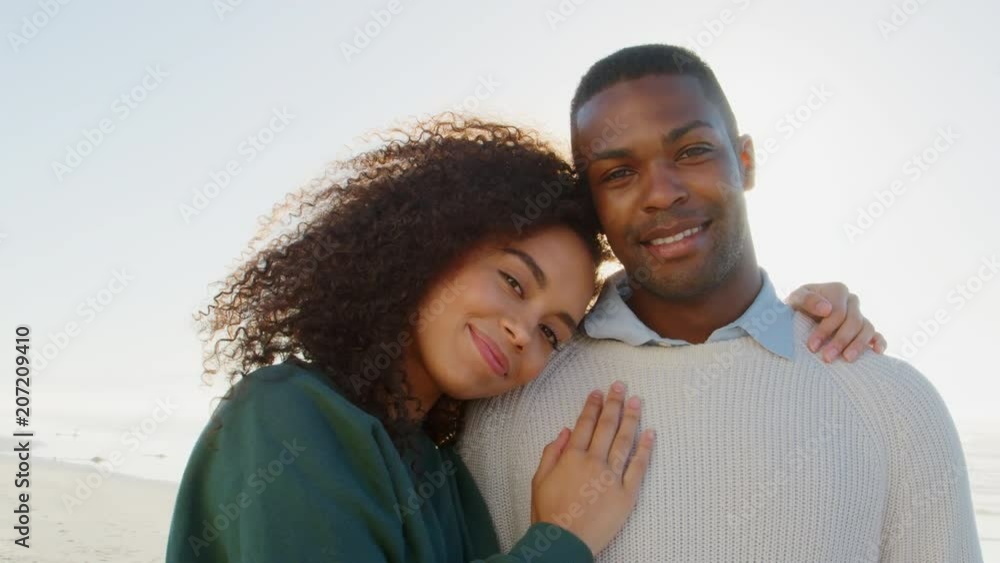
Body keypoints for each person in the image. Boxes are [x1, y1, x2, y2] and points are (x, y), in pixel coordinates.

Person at [166, 116, 885, 562]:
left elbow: (661, 311)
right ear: (434, 244)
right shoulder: (287, 415)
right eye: (513, 281)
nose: (521, 332)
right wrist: (563, 537)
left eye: (552, 331)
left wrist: (780, 316)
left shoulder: (439, 463)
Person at [459, 44, 984, 562]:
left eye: (692, 152)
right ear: (591, 205)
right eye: (618, 173)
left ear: (747, 161)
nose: (661, 193)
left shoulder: (893, 403)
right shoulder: (502, 400)